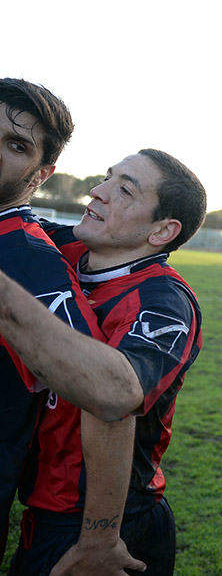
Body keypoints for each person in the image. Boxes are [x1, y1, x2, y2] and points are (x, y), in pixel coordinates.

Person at [0, 149, 206, 575]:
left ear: (162, 231)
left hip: (111, 529)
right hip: (41, 508)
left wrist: (99, 539)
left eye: (125, 190)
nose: (98, 191)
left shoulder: (164, 302)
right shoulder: (63, 248)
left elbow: (115, 395)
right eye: (108, 177)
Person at [0, 78, 149, 568]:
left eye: (16, 145)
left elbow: (109, 393)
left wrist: (98, 540)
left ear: (41, 174)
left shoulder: (27, 259)